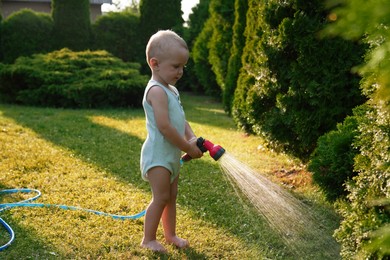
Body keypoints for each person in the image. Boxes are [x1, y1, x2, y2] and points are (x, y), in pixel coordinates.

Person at [140, 30, 203, 253]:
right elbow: (165, 126)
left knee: (172, 197)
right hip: (158, 155)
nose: (181, 71)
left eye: (183, 66)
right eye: (175, 66)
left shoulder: (172, 90)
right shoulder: (156, 91)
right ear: (154, 63)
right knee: (161, 197)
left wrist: (192, 138)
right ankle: (148, 239)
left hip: (171, 155)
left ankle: (170, 235)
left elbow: (180, 120)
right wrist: (187, 147)